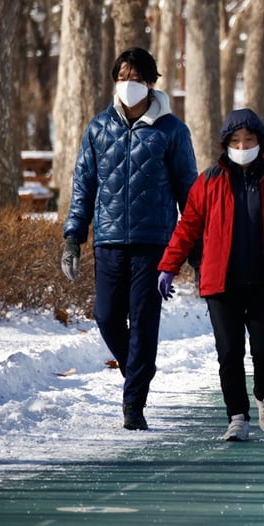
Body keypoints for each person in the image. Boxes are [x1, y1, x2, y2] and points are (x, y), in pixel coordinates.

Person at [61, 47, 197, 431]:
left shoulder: (172, 130)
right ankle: (140, 369)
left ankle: (133, 402)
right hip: (108, 240)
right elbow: (83, 186)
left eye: (137, 77)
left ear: (151, 83)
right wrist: (74, 235)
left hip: (154, 242)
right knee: (105, 316)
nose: (129, 84)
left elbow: (189, 191)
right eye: (123, 77)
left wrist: (196, 246)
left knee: (143, 320)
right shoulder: (98, 128)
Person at [156, 108, 264, 442]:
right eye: (236, 140)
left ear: (262, 143)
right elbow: (188, 227)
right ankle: (237, 416)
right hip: (221, 282)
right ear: (225, 144)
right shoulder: (208, 181)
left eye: (250, 139)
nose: (243, 146)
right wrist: (169, 265)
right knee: (228, 352)